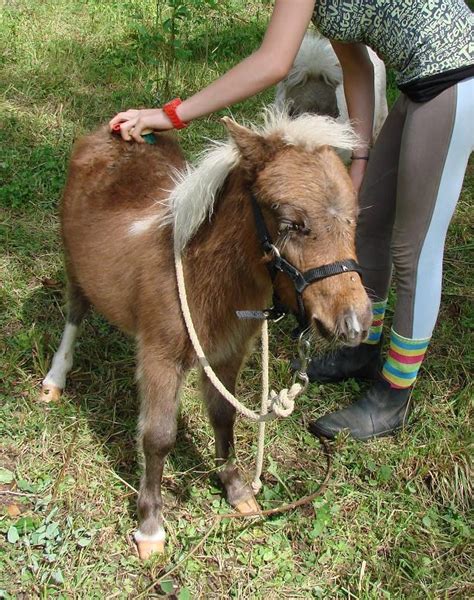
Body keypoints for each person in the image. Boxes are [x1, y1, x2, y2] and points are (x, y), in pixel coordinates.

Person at [110, 1, 474, 440]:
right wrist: (361, 152)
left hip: (456, 79)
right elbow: (355, 62)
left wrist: (170, 115)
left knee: (414, 249)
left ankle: (392, 397)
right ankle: (363, 346)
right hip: (421, 83)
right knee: (372, 226)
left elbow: (272, 62)